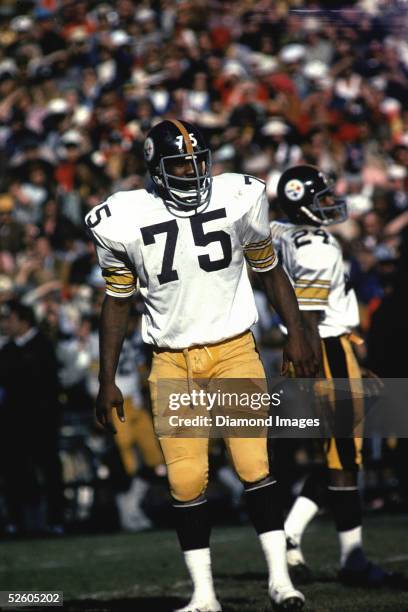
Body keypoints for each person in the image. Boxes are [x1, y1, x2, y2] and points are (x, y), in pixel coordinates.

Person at [86, 119, 317, 611]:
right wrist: (106, 379)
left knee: (254, 464)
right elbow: (117, 301)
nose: (193, 172)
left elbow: (268, 267)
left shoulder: (238, 196)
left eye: (198, 160)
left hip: (233, 347)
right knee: (185, 480)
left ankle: (280, 581)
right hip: (171, 359)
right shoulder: (121, 217)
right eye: (180, 164)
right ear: (155, 169)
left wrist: (295, 331)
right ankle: (205, 595)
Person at [271, 165, 404, 588]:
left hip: (332, 346)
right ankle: (353, 560)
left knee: (338, 455)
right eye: (320, 197)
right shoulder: (317, 246)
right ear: (301, 202)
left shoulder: (280, 232)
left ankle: (291, 533)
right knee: (346, 458)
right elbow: (310, 316)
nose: (329, 203)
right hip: (325, 347)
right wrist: (317, 362)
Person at [0, 300, 64, 534]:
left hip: (41, 422)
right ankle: (20, 521)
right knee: (15, 472)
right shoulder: (7, 350)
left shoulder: (42, 346)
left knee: (49, 472)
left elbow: (49, 385)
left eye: (10, 318)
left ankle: (56, 520)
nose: (6, 323)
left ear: (23, 320)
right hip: (13, 424)